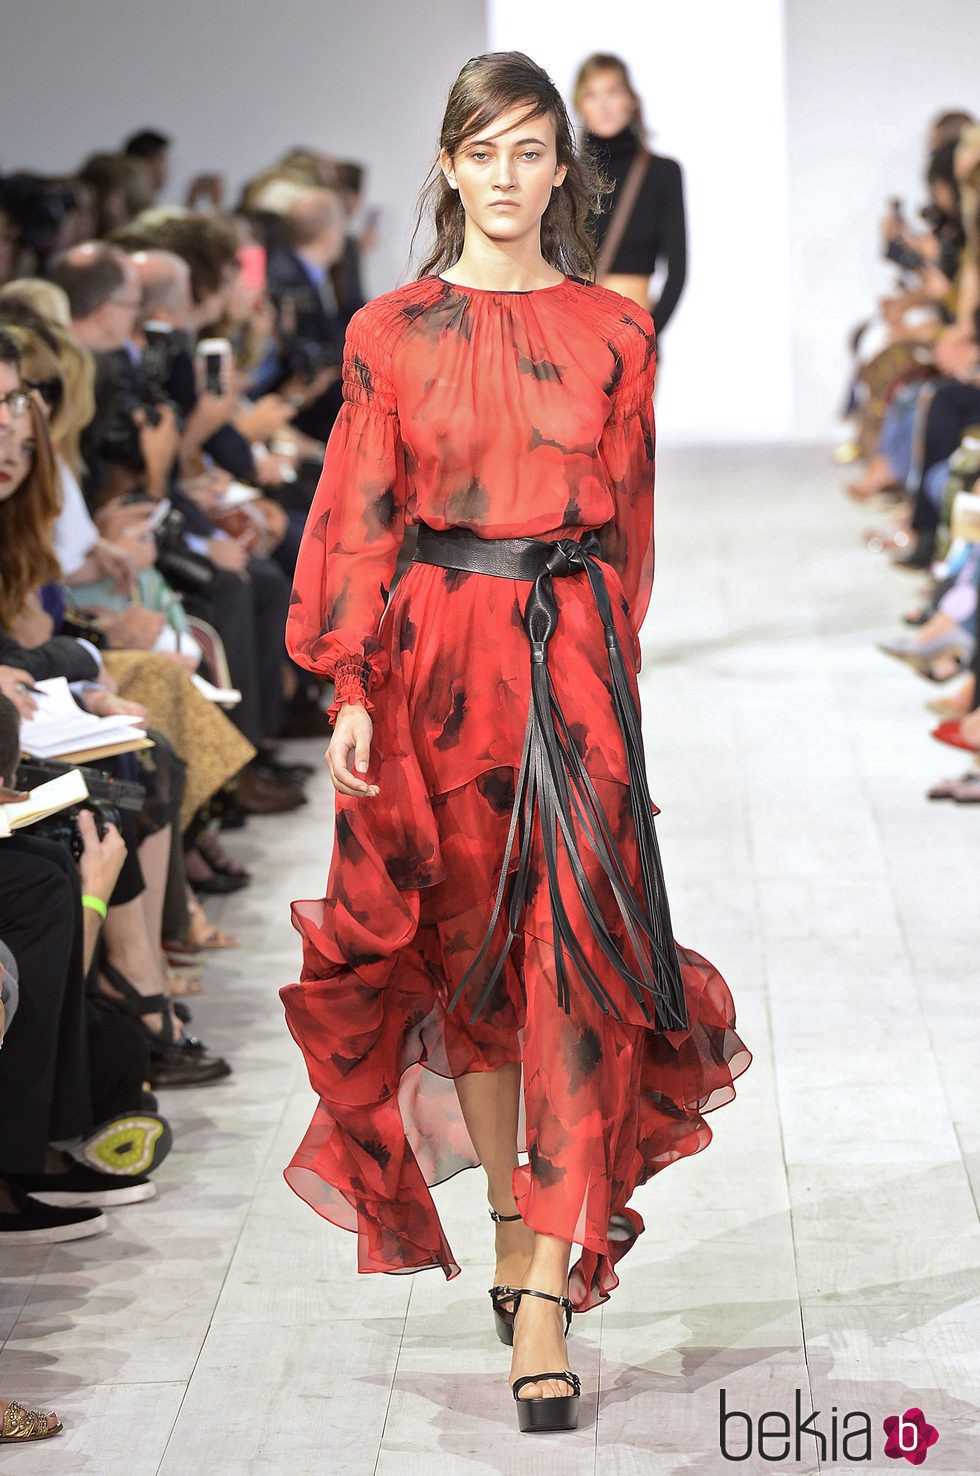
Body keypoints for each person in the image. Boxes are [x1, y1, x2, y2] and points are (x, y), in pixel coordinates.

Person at [280, 50, 750, 1435]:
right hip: (433, 663)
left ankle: (546, 1282)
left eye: (530, 150)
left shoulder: (616, 332)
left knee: (585, 960)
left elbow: (634, 529)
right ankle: (505, 1216)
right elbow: (356, 520)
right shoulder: (391, 333)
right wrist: (348, 683)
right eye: (480, 149)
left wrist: (608, 664)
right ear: (447, 164)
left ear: (564, 169)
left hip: (571, 654)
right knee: (468, 955)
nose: (503, 174)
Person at [573, 52, 687, 335]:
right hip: (576, 335)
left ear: (631, 100)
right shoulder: (566, 176)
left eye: (612, 91)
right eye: (591, 95)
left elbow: (678, 269)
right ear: (579, 105)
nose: (603, 106)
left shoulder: (662, 173)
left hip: (633, 331)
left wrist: (649, 334)